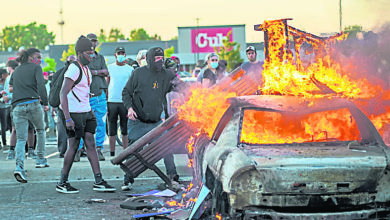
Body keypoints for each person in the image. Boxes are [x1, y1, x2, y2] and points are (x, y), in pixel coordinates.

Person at [56, 36, 115, 193]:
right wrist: (67, 118)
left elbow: (82, 91)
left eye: (93, 53)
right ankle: (62, 182)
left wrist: (89, 108)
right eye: (89, 53)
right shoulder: (74, 68)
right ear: (80, 53)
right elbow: (63, 93)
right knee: (74, 146)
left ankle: (98, 180)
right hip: (73, 113)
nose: (91, 56)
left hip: (86, 111)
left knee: (91, 144)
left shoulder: (86, 69)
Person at [122, 47, 181, 190]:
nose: (159, 61)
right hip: (137, 121)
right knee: (134, 149)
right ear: (149, 59)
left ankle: (172, 176)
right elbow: (126, 92)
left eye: (161, 58)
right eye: (156, 58)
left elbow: (181, 87)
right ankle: (128, 179)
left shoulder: (167, 75)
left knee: (167, 146)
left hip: (155, 121)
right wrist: (129, 109)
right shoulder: (138, 73)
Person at [10, 48, 49, 183]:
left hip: (17, 106)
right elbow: (41, 85)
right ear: (31, 57)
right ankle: (40, 159)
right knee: (40, 130)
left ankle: (19, 167)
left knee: (21, 139)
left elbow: (12, 88)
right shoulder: (36, 67)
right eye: (38, 56)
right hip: (33, 102)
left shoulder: (16, 71)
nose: (39, 59)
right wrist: (45, 102)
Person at [78, 33, 109, 161]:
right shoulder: (82, 58)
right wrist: (99, 73)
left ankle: (98, 148)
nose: (93, 43)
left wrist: (95, 72)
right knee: (82, 123)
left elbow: (106, 72)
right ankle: (79, 149)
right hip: (86, 95)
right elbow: (83, 72)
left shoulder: (100, 57)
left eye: (95, 41)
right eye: (91, 41)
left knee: (100, 122)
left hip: (99, 94)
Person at [107, 47, 133, 156]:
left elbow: (132, 86)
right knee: (111, 128)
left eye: (123, 53)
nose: (121, 55)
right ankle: (112, 152)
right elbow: (107, 83)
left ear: (125, 55)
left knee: (124, 127)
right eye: (119, 53)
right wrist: (106, 98)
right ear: (115, 55)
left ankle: (125, 151)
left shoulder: (129, 69)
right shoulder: (110, 68)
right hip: (112, 101)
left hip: (124, 102)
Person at [52, 55, 76, 158]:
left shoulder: (59, 73)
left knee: (62, 128)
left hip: (62, 104)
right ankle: (74, 151)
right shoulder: (77, 72)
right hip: (72, 104)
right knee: (74, 127)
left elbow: (53, 89)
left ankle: (63, 151)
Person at [0, 68, 9, 150]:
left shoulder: (5, 83)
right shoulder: (2, 84)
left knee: (4, 126)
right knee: (3, 125)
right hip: (2, 107)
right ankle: (3, 143)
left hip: (4, 107)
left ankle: (4, 143)